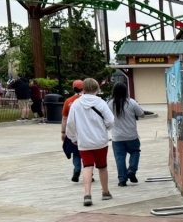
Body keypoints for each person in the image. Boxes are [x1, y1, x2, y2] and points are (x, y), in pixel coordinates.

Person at [65, 78, 113, 206]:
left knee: (87, 166)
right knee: (102, 166)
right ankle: (105, 192)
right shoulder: (101, 103)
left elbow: (70, 123)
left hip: (84, 141)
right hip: (100, 141)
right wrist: (106, 128)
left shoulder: (76, 104)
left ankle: (87, 194)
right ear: (97, 88)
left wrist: (73, 138)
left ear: (84, 89)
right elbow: (110, 120)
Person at [107, 82, 144, 186]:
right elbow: (142, 114)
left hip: (117, 137)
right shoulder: (131, 102)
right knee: (135, 151)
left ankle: (122, 180)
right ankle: (131, 170)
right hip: (131, 135)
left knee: (120, 158)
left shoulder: (109, 104)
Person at [60, 80, 84, 182]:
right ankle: (89, 173)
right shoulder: (86, 100)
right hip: (84, 129)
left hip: (72, 130)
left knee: (76, 152)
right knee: (86, 152)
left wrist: (63, 131)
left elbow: (64, 118)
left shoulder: (68, 101)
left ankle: (77, 169)